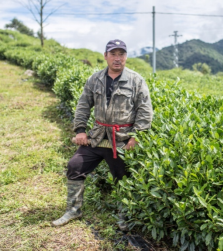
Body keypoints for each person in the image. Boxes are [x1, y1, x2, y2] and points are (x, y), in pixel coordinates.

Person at [52, 39, 153, 227]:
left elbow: (145, 110)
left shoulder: (136, 80)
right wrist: (80, 130)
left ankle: (125, 215)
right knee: (75, 166)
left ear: (126, 57)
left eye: (121, 54)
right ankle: (73, 210)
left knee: (123, 178)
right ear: (105, 56)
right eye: (113, 54)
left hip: (121, 139)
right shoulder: (95, 79)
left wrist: (136, 136)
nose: (117, 58)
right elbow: (83, 105)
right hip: (97, 136)